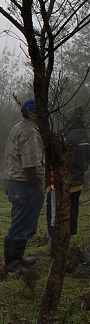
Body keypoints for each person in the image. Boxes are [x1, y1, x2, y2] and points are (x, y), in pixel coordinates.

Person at [3, 98, 46, 273]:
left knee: (22, 222)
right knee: (21, 224)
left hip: (17, 183)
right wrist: (36, 187)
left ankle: (17, 259)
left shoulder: (20, 127)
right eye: (41, 111)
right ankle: (12, 264)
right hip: (25, 184)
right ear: (31, 113)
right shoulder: (29, 133)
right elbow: (29, 166)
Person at [43, 107, 90, 256]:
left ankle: (52, 247)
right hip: (78, 182)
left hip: (60, 183)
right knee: (72, 214)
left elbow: (56, 158)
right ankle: (66, 246)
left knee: (54, 214)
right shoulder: (86, 137)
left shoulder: (66, 138)